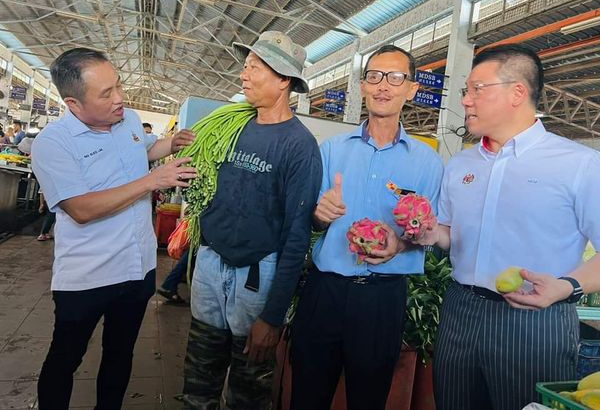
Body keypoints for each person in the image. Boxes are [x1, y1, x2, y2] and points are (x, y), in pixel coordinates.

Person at [416, 44, 600, 410]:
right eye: (466, 90)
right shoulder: (461, 164)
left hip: (536, 319)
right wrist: (430, 233)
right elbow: (449, 233)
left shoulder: (579, 164)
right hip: (460, 311)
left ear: (517, 92)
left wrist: (567, 286)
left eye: (477, 89)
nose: (466, 100)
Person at [31, 47, 197, 410]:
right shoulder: (53, 143)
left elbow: (145, 150)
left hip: (137, 269)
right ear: (74, 103)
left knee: (120, 354)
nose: (119, 98)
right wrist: (152, 181)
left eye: (118, 86)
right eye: (106, 94)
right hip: (87, 275)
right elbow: (81, 209)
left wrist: (172, 143)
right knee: (65, 357)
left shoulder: (130, 120)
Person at [290, 45, 444, 410]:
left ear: (411, 89)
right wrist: (320, 214)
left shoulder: (428, 163)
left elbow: (430, 233)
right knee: (306, 396)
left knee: (369, 399)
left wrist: (400, 245)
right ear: (362, 86)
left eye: (395, 77)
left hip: (382, 300)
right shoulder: (332, 150)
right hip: (324, 292)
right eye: (374, 76)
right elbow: (311, 219)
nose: (383, 86)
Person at [182, 31, 322, 410]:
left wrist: (272, 316)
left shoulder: (299, 146)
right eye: (245, 66)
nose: (243, 75)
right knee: (198, 381)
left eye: (255, 68)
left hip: (257, 276)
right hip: (211, 266)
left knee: (247, 393)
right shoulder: (232, 127)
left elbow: (297, 235)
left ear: (283, 79)